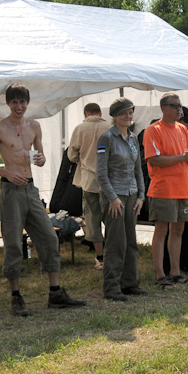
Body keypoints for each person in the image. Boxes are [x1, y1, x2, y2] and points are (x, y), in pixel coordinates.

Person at [0, 84, 85, 316]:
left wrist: (42, 158)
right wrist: (7, 173)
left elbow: (39, 155)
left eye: (22, 102)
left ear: (28, 103)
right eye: (14, 102)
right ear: (8, 103)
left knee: (48, 236)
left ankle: (55, 293)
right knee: (14, 243)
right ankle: (16, 297)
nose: (19, 106)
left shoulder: (34, 126)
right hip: (10, 191)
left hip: (31, 188)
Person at [143, 93, 188, 290]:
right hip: (163, 189)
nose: (179, 109)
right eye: (175, 106)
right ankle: (161, 275)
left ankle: (176, 273)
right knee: (161, 231)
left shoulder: (182, 129)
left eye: (180, 105)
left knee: (178, 232)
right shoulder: (153, 130)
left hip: (184, 189)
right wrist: (183, 157)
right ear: (163, 108)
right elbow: (153, 160)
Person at [97, 98, 147, 302]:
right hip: (114, 198)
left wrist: (141, 196)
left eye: (130, 112)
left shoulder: (134, 138)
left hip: (132, 195)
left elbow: (138, 170)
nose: (128, 116)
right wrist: (112, 198)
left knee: (131, 242)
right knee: (116, 243)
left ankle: (129, 283)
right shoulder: (106, 138)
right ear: (115, 116)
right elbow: (101, 173)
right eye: (124, 113)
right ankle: (111, 286)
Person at [67, 102, 108, 271]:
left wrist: (84, 159)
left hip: (89, 181)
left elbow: (71, 155)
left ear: (86, 114)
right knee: (112, 219)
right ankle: (114, 255)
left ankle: (100, 258)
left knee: (93, 219)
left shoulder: (80, 129)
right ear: (100, 112)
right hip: (109, 181)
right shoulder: (110, 126)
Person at [163, 106, 188, 276]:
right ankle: (167, 267)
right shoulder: (166, 137)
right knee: (168, 231)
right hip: (171, 190)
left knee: (186, 231)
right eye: (186, 121)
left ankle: (186, 264)